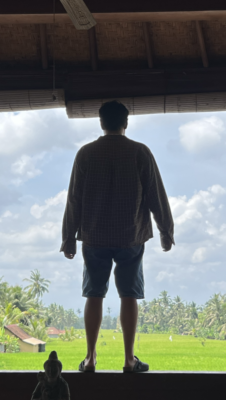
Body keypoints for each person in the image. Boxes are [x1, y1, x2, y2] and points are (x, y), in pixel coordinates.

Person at [61, 100, 175, 372]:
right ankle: (128, 359)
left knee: (94, 294)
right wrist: (166, 230)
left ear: (101, 123)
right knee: (129, 295)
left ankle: (90, 358)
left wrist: (68, 237)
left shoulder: (86, 153)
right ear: (126, 123)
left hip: (94, 235)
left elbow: (74, 198)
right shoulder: (140, 152)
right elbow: (156, 194)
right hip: (130, 236)